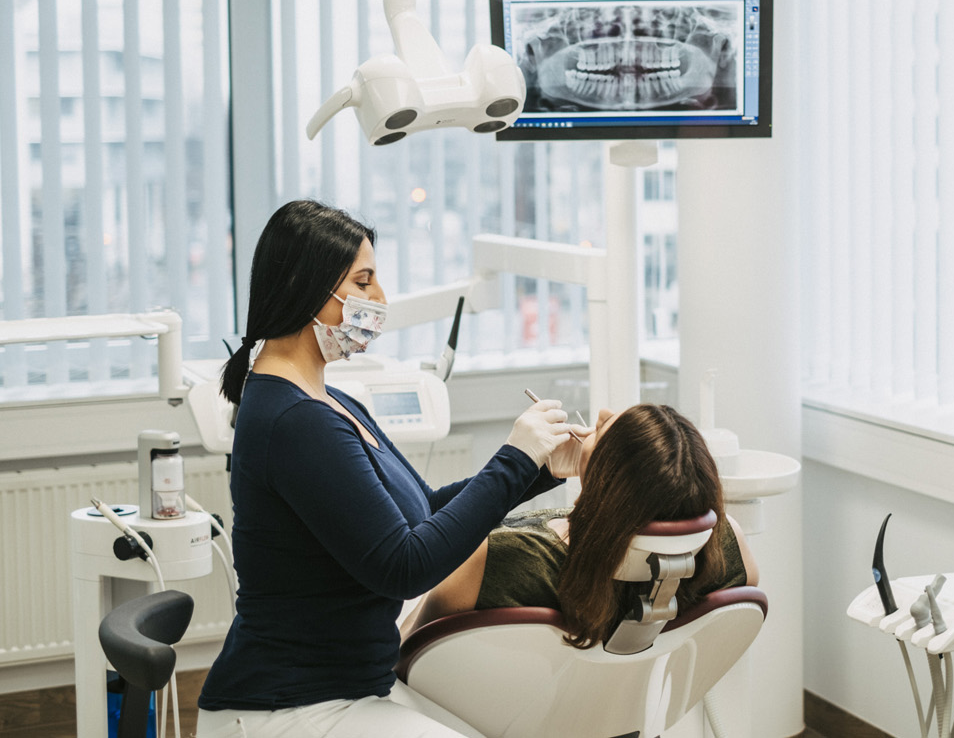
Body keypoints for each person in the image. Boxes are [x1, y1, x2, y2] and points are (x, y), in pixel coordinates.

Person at [196, 199, 588, 738]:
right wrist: (514, 457)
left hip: (349, 689)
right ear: (306, 287)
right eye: (364, 282)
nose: (380, 300)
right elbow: (404, 565)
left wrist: (540, 469)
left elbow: (423, 507)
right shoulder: (292, 419)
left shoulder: (331, 401)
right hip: (285, 708)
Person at [401, 403, 758, 648]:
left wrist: (518, 463)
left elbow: (408, 649)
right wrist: (539, 475)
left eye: (606, 432)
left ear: (609, 485)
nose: (602, 414)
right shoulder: (724, 547)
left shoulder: (503, 561)